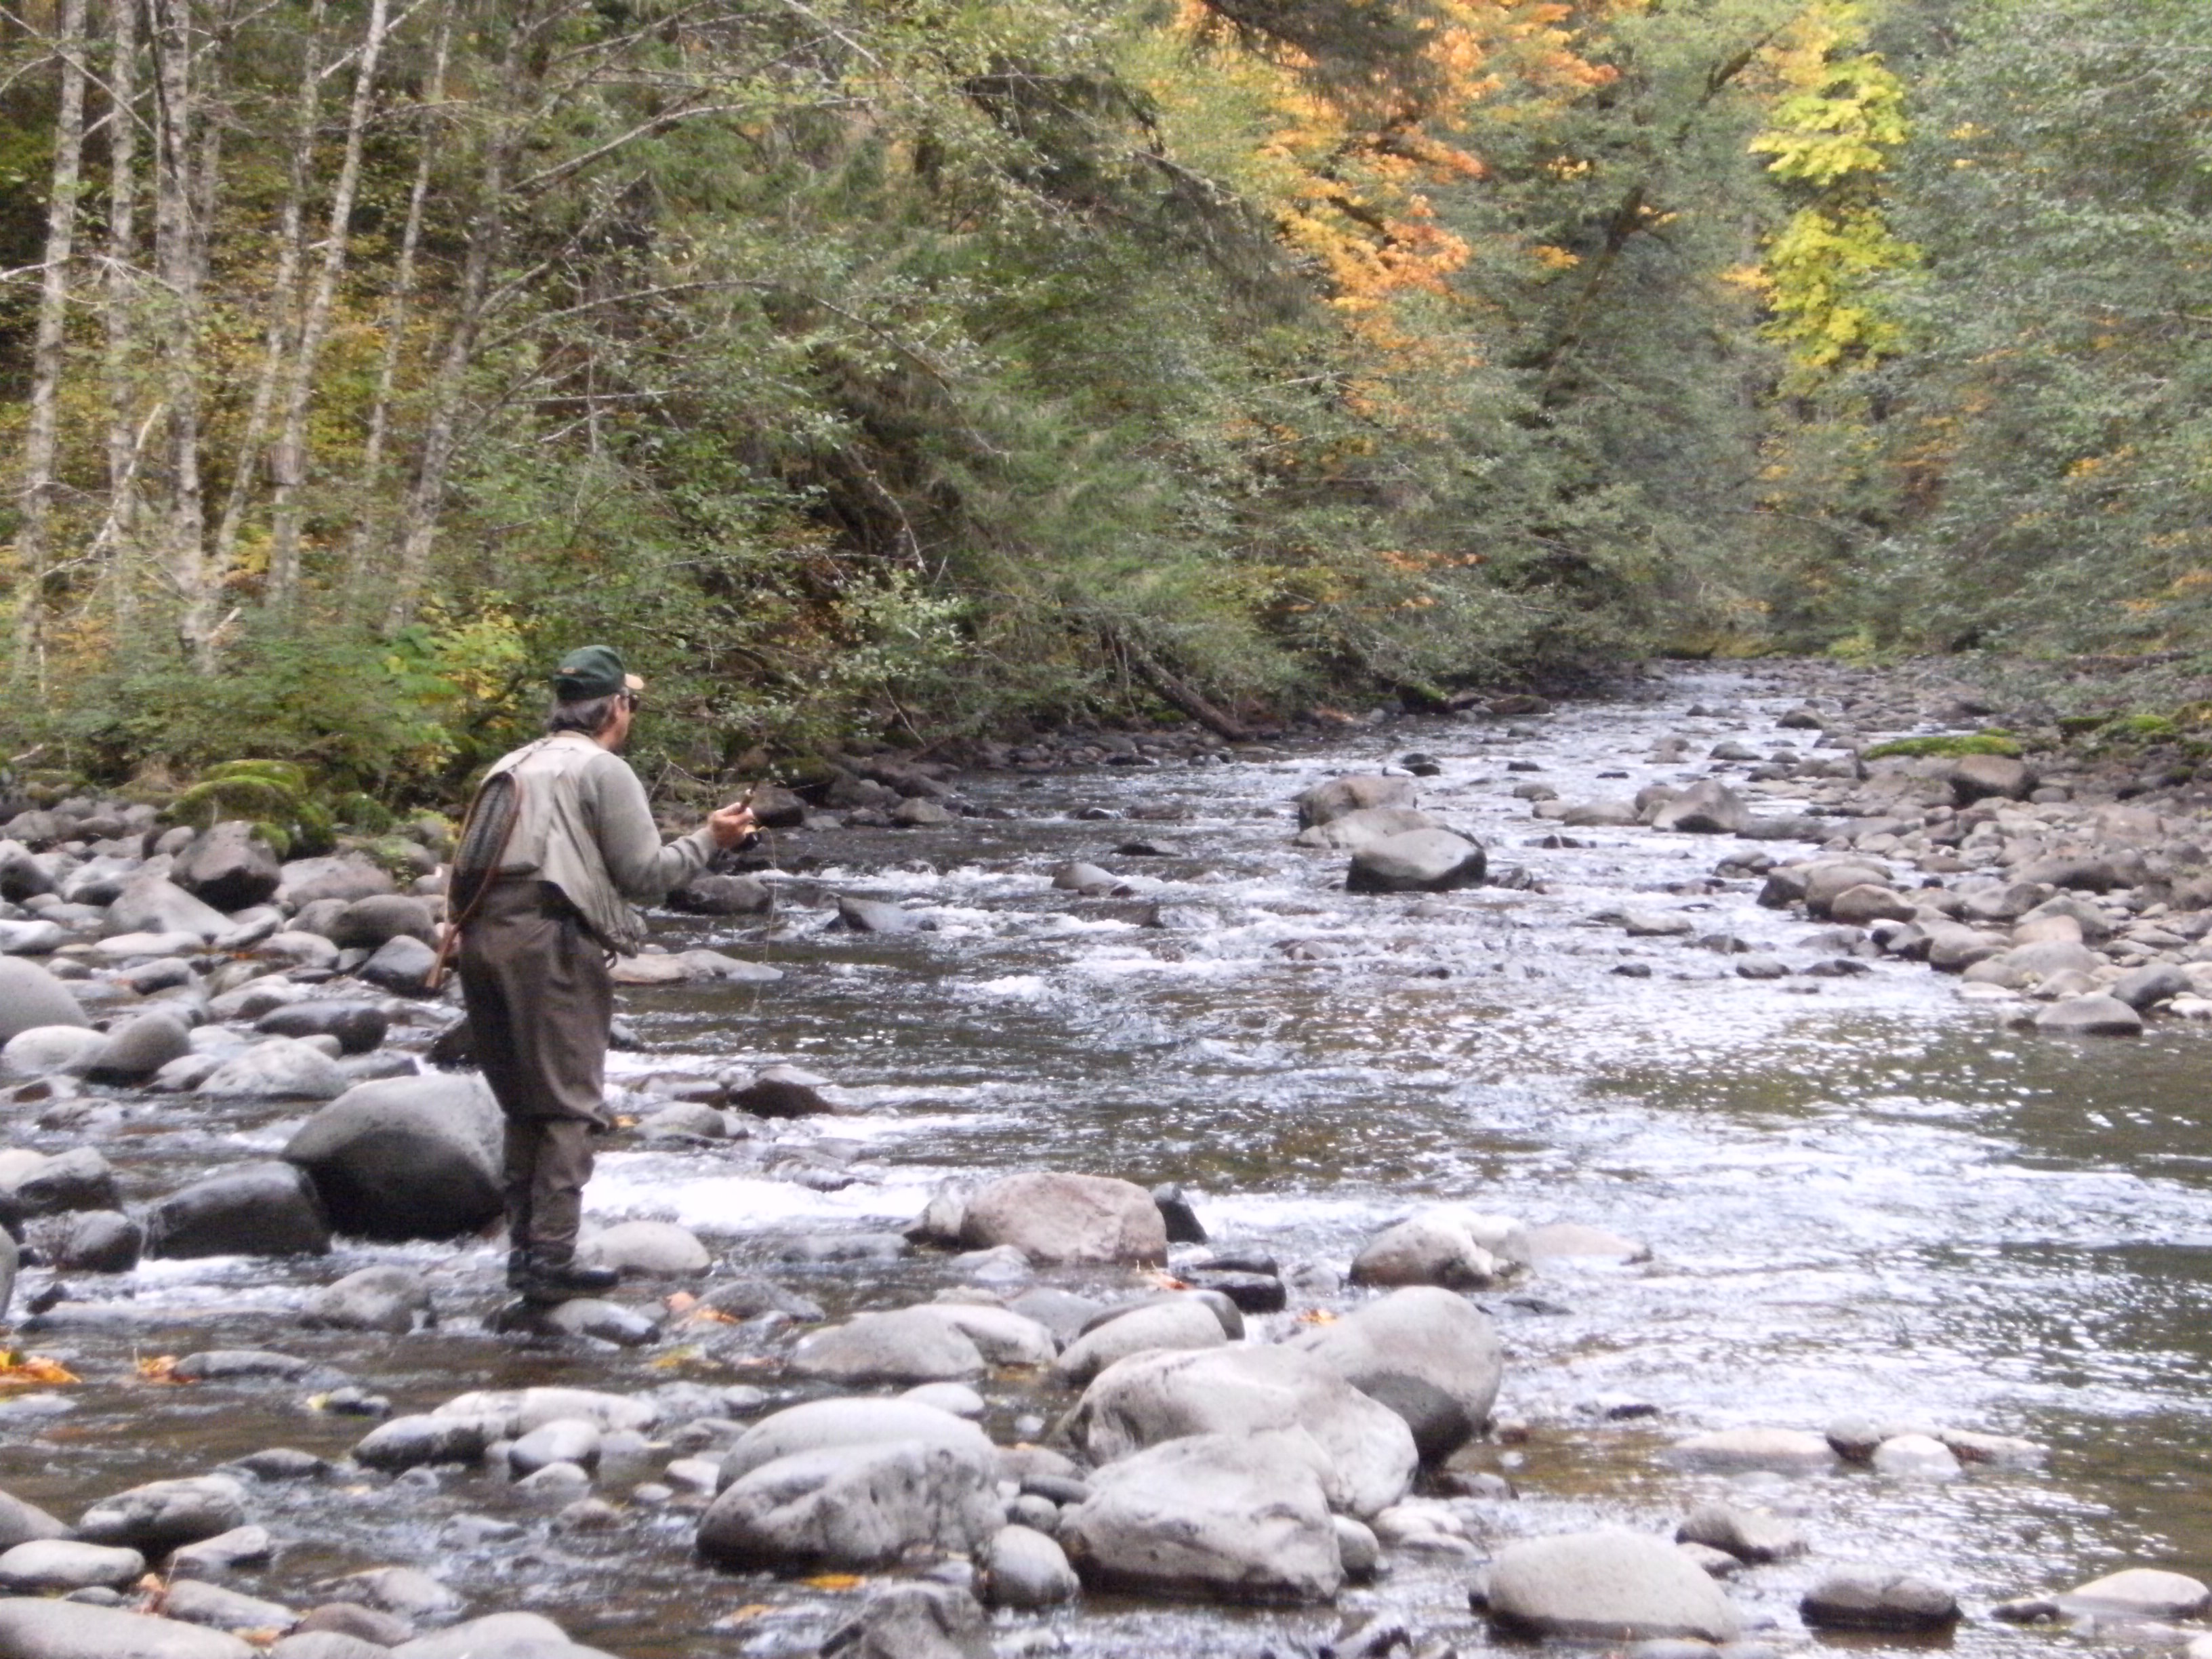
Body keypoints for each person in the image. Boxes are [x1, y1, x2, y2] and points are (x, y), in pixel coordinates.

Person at [455, 644, 755, 1305]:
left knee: (522, 1108)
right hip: (549, 946)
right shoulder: (602, 769)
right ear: (615, 706)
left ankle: (526, 1259)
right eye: (632, 702)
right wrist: (712, 839)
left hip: (480, 943)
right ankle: (550, 1261)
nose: (632, 713)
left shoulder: (510, 764)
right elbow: (645, 876)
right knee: (567, 1107)